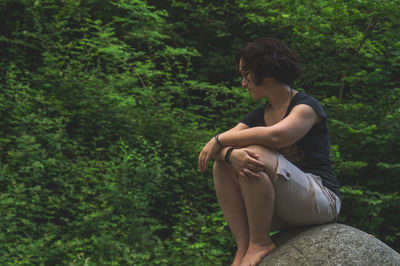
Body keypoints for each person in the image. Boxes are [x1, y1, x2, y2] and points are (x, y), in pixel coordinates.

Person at [198, 38, 341, 266]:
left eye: (247, 74)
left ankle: (260, 242)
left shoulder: (306, 107)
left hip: (322, 200)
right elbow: (215, 151)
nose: (243, 83)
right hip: (281, 209)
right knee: (225, 163)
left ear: (266, 71)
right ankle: (245, 248)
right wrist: (228, 154)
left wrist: (219, 139)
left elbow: (276, 136)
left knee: (253, 153)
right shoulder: (259, 114)